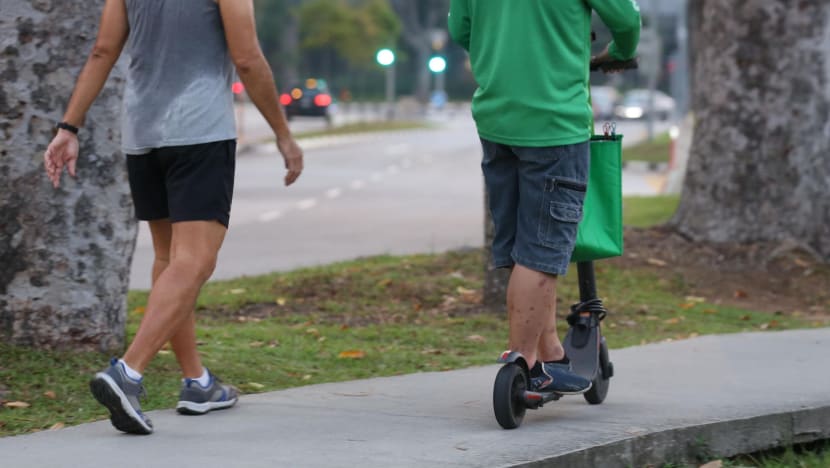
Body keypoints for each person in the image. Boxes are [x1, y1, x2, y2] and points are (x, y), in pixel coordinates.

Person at [43, 0, 303, 435]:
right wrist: (283, 133)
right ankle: (128, 372)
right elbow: (247, 58)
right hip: (198, 131)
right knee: (196, 261)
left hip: (143, 134)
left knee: (169, 259)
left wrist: (68, 127)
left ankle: (197, 383)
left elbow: (103, 51)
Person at [448, 0, 640, 394]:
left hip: (497, 119)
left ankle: (550, 349)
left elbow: (461, 31)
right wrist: (618, 53)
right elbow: (626, 20)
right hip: (554, 123)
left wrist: (505, 50)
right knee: (543, 250)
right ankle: (524, 362)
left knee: (521, 242)